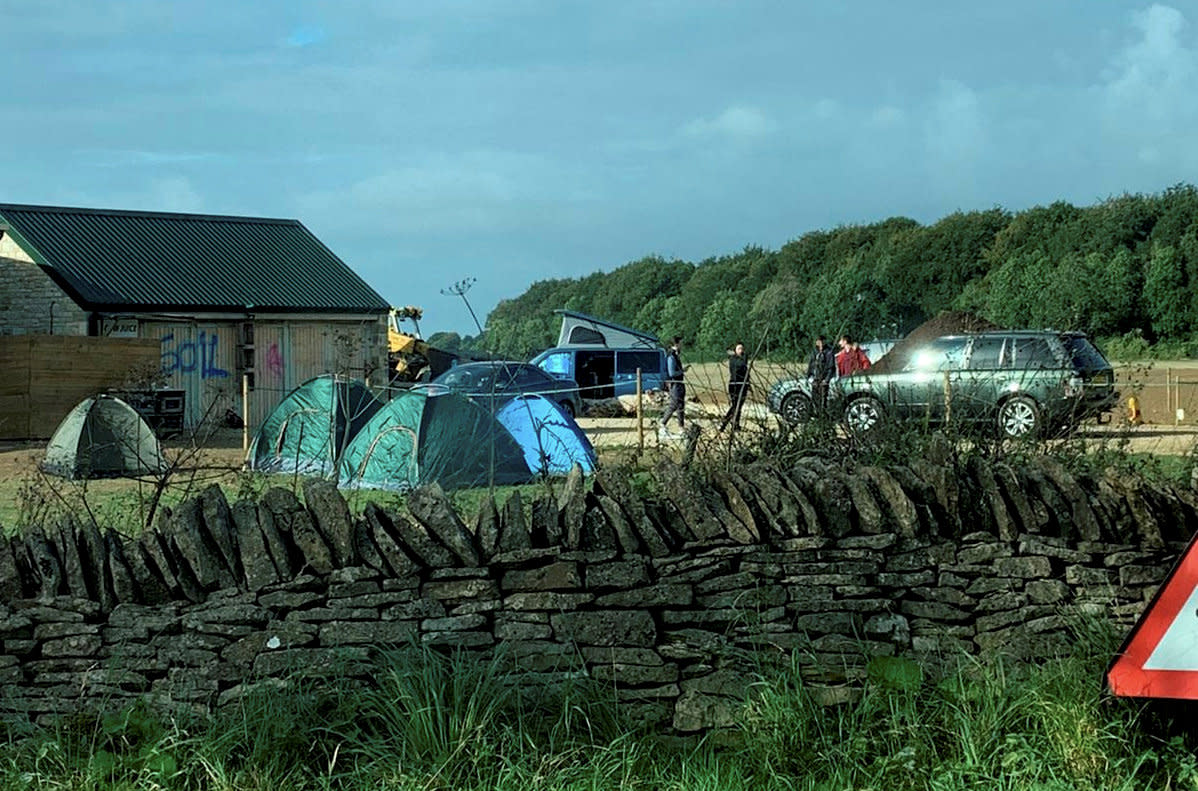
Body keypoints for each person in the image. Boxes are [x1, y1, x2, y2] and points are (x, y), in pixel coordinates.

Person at [718, 342, 750, 432]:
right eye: (739, 349)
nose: (741, 351)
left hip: (743, 385)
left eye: (742, 349)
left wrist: (748, 383)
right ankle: (724, 423)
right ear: (735, 350)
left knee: (739, 406)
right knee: (735, 405)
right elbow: (742, 365)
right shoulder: (733, 359)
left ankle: (736, 425)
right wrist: (743, 356)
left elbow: (745, 372)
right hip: (735, 385)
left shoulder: (742, 358)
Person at [659, 336, 686, 437]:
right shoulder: (671, 356)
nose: (682, 346)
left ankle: (681, 427)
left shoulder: (676, 355)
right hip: (675, 384)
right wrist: (682, 371)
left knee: (681, 406)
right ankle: (663, 423)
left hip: (679, 383)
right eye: (681, 344)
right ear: (677, 344)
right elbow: (672, 373)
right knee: (674, 404)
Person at [806, 335, 836, 410]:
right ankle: (816, 413)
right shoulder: (814, 352)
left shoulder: (829, 352)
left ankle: (823, 414)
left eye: (822, 341)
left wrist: (826, 379)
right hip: (815, 379)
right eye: (819, 341)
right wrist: (810, 377)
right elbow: (811, 365)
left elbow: (831, 367)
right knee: (815, 398)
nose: (821, 343)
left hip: (823, 379)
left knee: (823, 399)